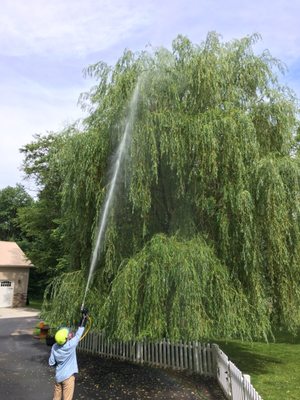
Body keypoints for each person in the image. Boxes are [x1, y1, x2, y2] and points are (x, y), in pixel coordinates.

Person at [49, 308, 89, 400]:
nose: (70, 335)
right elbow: (79, 332)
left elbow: (51, 363)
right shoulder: (70, 345)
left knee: (56, 398)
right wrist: (84, 317)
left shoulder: (55, 346)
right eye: (68, 335)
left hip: (58, 377)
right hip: (68, 378)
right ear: (66, 339)